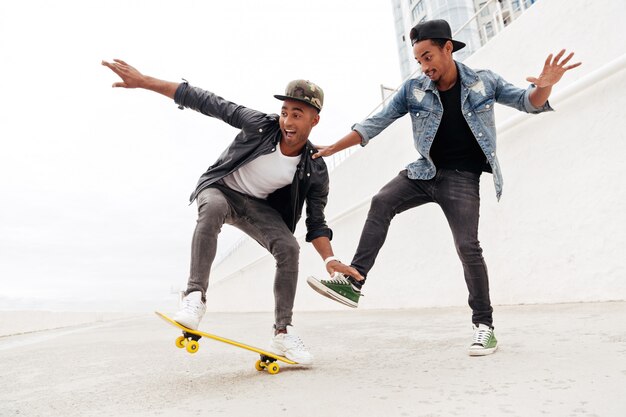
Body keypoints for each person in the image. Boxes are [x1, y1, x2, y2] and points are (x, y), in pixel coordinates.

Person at [306, 19, 581, 356]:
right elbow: (374, 124)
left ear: (447, 48)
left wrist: (545, 86)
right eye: (418, 60)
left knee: (468, 247)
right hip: (424, 173)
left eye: (428, 57)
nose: (424, 66)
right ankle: (353, 280)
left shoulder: (485, 82)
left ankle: (484, 326)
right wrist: (335, 146)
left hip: (462, 179)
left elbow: (529, 102)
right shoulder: (414, 89)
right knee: (381, 201)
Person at [102, 59, 361, 365]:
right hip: (221, 190)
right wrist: (146, 81)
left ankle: (282, 333)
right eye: (285, 113)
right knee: (211, 208)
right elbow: (208, 101)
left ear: (314, 120)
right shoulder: (260, 125)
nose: (288, 122)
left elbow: (316, 222)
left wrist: (330, 260)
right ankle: (195, 298)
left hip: (257, 208)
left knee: (289, 248)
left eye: (297, 115)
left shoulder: (315, 168)